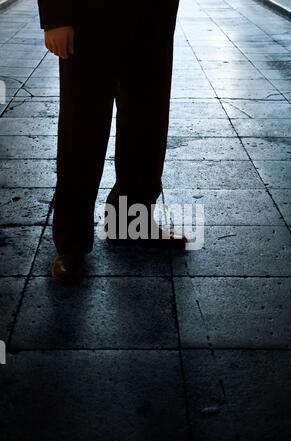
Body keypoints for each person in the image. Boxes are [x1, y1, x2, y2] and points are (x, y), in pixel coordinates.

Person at [38, 0, 186, 287]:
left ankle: (131, 224)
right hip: (88, 15)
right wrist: (55, 17)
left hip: (153, 17)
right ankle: (71, 241)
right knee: (82, 125)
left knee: (147, 122)